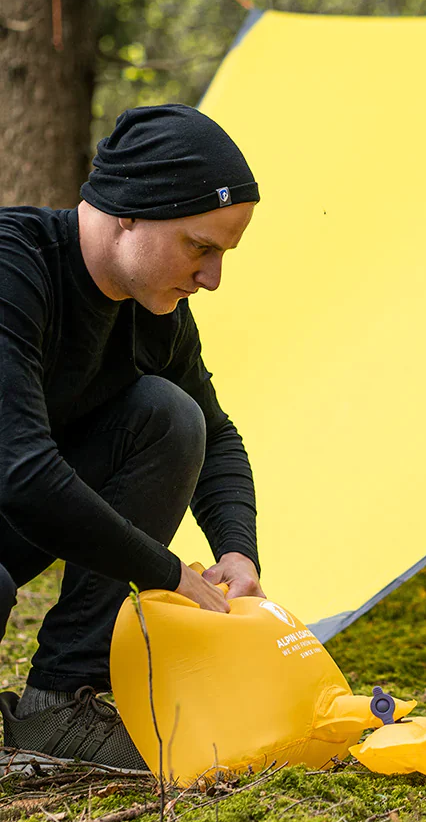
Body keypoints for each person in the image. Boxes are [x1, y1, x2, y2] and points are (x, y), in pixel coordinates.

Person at [0, 104, 265, 770]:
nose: (212, 278)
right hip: (13, 502)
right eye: (199, 246)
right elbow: (22, 472)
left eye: (222, 253)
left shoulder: (155, 312)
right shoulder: (14, 268)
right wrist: (166, 571)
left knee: (170, 415)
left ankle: (62, 699)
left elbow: (217, 437)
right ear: (129, 210)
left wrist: (237, 548)